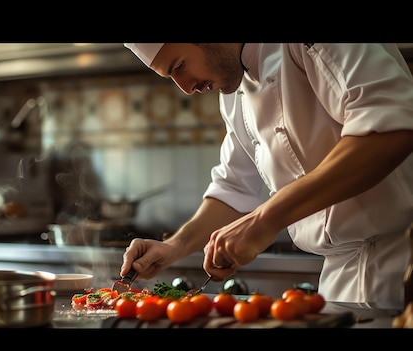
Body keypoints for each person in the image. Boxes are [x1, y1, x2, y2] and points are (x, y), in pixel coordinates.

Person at [120, 43, 413, 308]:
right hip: (340, 283)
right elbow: (233, 188)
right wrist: (175, 246)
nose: (185, 88)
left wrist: (266, 219)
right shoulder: (234, 89)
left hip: (403, 263)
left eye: (180, 65)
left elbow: (391, 127)